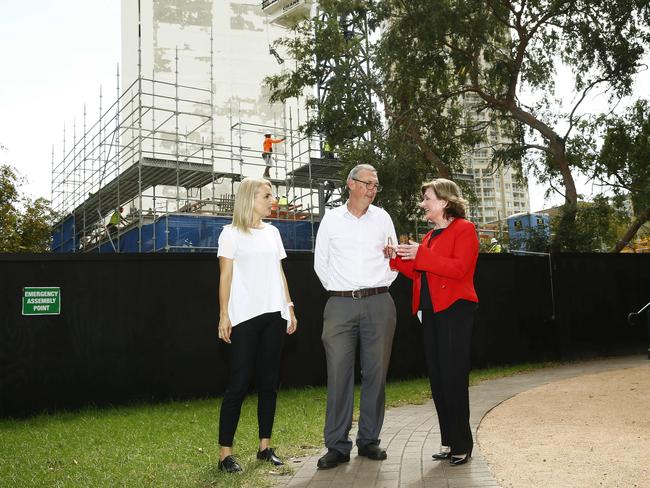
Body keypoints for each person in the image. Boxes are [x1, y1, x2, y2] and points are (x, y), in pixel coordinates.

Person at [388, 178, 479, 466]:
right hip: (430, 313)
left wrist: (422, 255)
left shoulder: (464, 230)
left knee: (453, 377)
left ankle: (463, 444)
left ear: (445, 201)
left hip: (455, 310)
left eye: (427, 198)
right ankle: (449, 442)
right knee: (439, 379)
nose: (423, 204)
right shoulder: (429, 238)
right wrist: (395, 259)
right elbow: (419, 273)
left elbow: (459, 269)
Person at [314, 164, 398, 469]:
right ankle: (337, 446)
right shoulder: (332, 219)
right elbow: (320, 262)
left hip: (379, 302)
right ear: (351, 184)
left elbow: (394, 258)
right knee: (339, 375)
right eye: (367, 184)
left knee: (376, 373)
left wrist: (379, 286)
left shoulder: (383, 218)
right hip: (340, 305)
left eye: (376, 185)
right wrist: (342, 290)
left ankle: (369, 440)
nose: (372, 190)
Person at [216, 177, 298, 473]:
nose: (271, 200)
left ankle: (265, 448)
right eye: (267, 196)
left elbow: (279, 273)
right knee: (238, 385)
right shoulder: (230, 234)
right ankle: (226, 455)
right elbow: (225, 277)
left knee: (269, 384)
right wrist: (224, 314)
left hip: (273, 315)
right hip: (244, 318)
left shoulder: (273, 233)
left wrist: (289, 308)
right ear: (251, 198)